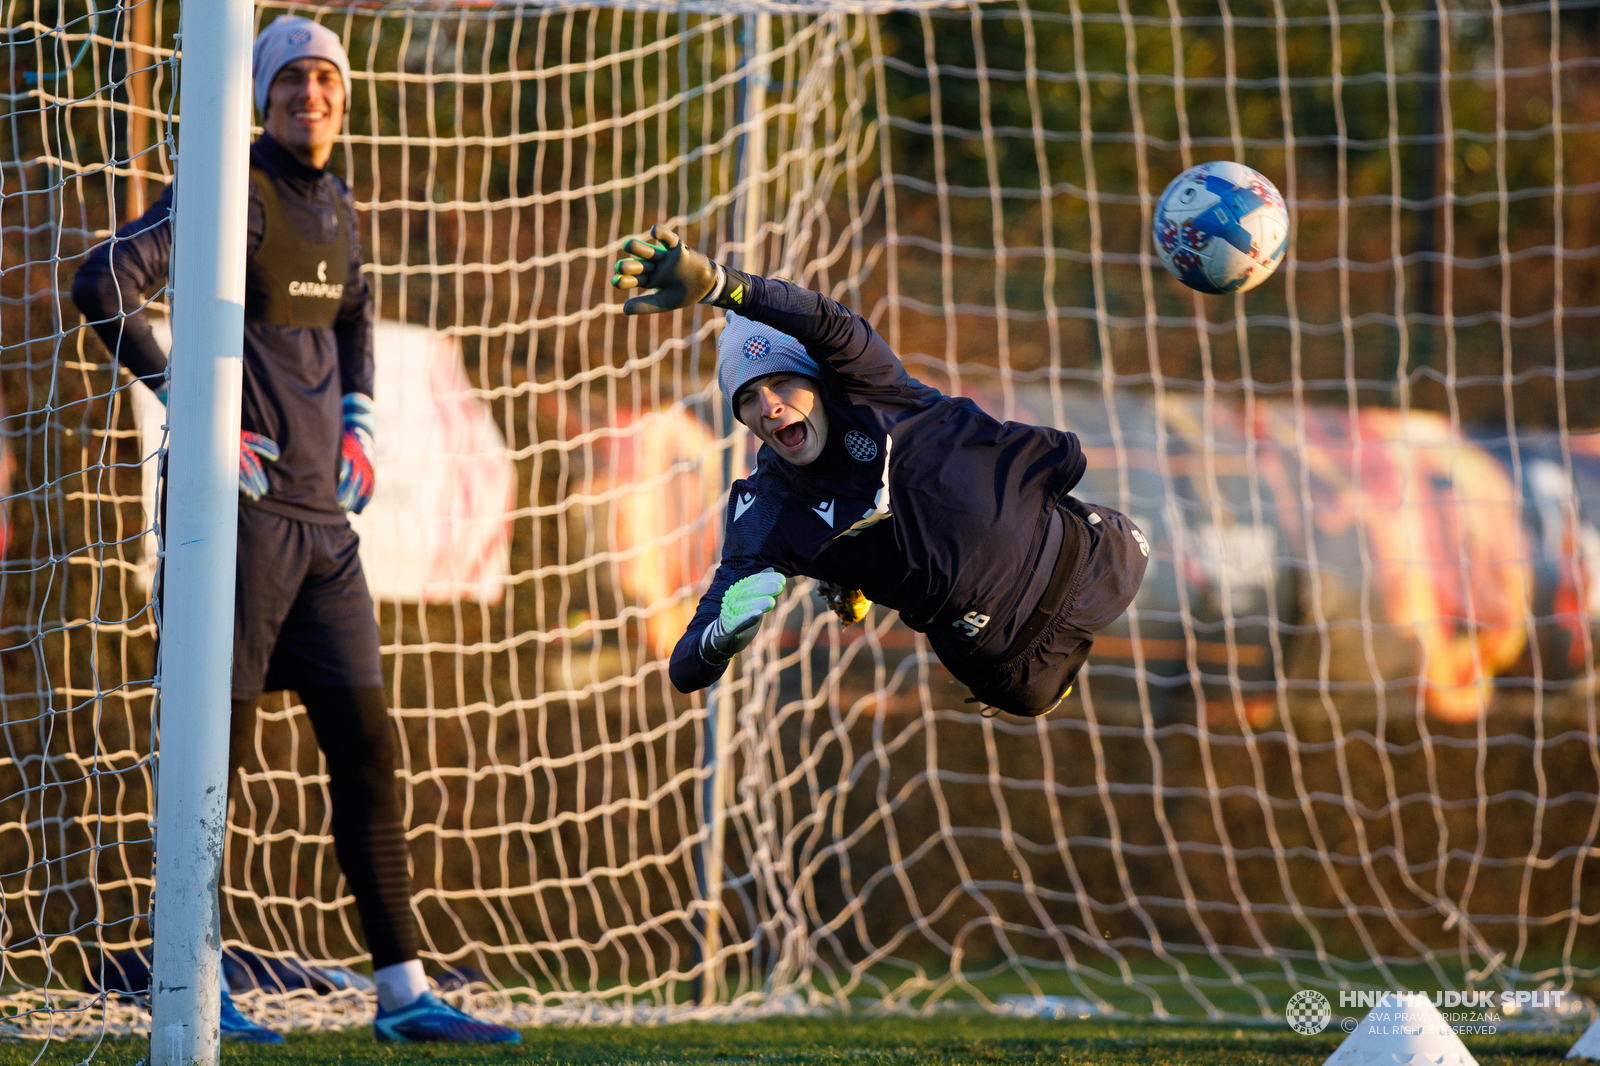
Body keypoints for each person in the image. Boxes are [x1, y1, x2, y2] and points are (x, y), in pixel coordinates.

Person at [71, 15, 518, 1046]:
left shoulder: (336, 201)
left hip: (325, 529)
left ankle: (402, 992)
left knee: (366, 747)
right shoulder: (232, 192)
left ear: (344, 100)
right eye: (288, 81)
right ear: (262, 96)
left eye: (324, 80)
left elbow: (354, 310)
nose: (306, 95)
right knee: (209, 761)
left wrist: (359, 412)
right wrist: (191, 401)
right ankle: (188, 978)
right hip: (232, 521)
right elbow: (102, 281)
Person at [610, 227, 1149, 717]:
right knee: (1033, 701)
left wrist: (720, 286)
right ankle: (847, 566)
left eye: (781, 383)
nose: (769, 406)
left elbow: (823, 319)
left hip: (1091, 560)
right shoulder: (766, 509)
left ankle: (846, 568)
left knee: (1129, 542)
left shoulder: (869, 384)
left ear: (817, 381)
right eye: (747, 398)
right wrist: (716, 639)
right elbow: (685, 669)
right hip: (1013, 661)